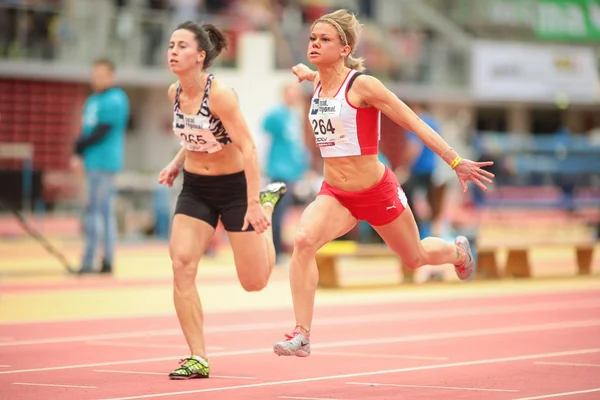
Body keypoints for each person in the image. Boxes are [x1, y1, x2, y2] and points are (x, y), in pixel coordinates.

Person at [272, 9, 494, 358]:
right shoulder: (317, 82)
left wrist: (455, 161)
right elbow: (312, 73)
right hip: (336, 195)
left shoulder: (363, 86)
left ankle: (457, 251)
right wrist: (303, 72)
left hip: (377, 193)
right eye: (312, 38)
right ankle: (302, 333)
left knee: (414, 258)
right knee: (302, 241)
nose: (314, 44)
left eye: (324, 39)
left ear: (345, 49)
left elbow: (413, 123)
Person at [158, 20, 287, 379]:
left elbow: (247, 147)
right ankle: (197, 356)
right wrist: (174, 164)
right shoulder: (174, 94)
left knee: (255, 282)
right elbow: (193, 136)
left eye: (182, 46)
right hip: (196, 188)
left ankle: (267, 208)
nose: (173, 51)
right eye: (171, 45)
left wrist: (251, 204)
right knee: (181, 264)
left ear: (200, 56)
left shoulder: (220, 95)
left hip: (235, 190)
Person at [71, 58, 130, 275]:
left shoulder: (116, 98)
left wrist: (78, 147)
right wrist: (78, 154)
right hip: (90, 162)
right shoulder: (92, 100)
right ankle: (105, 260)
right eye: (94, 74)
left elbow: (101, 131)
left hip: (104, 163)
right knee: (100, 212)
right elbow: (87, 130)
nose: (97, 79)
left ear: (111, 76)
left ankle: (91, 261)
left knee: (96, 212)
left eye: (102, 75)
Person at [262, 82, 311, 263]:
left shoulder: (294, 117)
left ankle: (279, 248)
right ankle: (273, 251)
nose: (296, 97)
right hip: (277, 170)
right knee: (275, 212)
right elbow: (264, 140)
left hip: (292, 173)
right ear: (284, 95)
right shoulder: (275, 115)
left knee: (285, 213)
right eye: (292, 93)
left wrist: (303, 169)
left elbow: (296, 147)